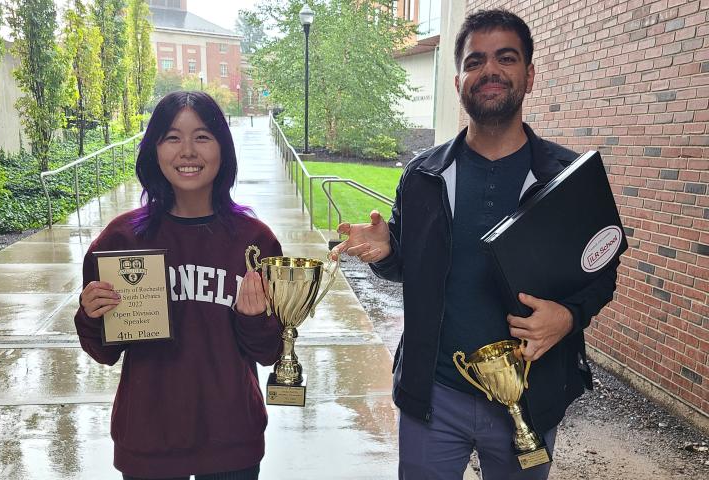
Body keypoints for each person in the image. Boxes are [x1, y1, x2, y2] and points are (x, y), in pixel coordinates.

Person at [332, 9, 619, 480]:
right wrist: (386, 252)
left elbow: (601, 273)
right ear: (459, 79)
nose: (489, 71)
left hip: (529, 396)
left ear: (528, 74)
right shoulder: (423, 176)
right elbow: (410, 265)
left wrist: (568, 318)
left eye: (505, 58)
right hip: (435, 395)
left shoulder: (566, 180)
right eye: (474, 61)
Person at [74, 91, 282, 480]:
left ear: (223, 147)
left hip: (231, 439)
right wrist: (91, 314)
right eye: (172, 137)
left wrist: (254, 318)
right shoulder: (120, 240)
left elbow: (270, 352)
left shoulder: (254, 242)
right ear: (154, 149)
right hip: (149, 439)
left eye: (202, 136)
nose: (187, 151)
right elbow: (104, 352)